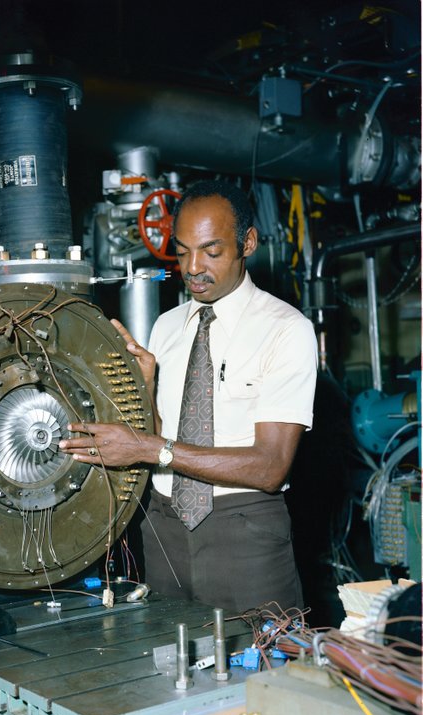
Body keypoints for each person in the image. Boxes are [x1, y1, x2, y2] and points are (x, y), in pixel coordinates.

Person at [59, 179, 318, 615]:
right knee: (173, 670)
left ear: (247, 243)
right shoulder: (166, 326)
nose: (193, 267)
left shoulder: (286, 330)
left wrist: (147, 447)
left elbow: (271, 467)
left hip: (244, 532)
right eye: (181, 252)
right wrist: (145, 385)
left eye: (211, 252)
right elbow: (163, 441)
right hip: (163, 529)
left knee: (263, 672)